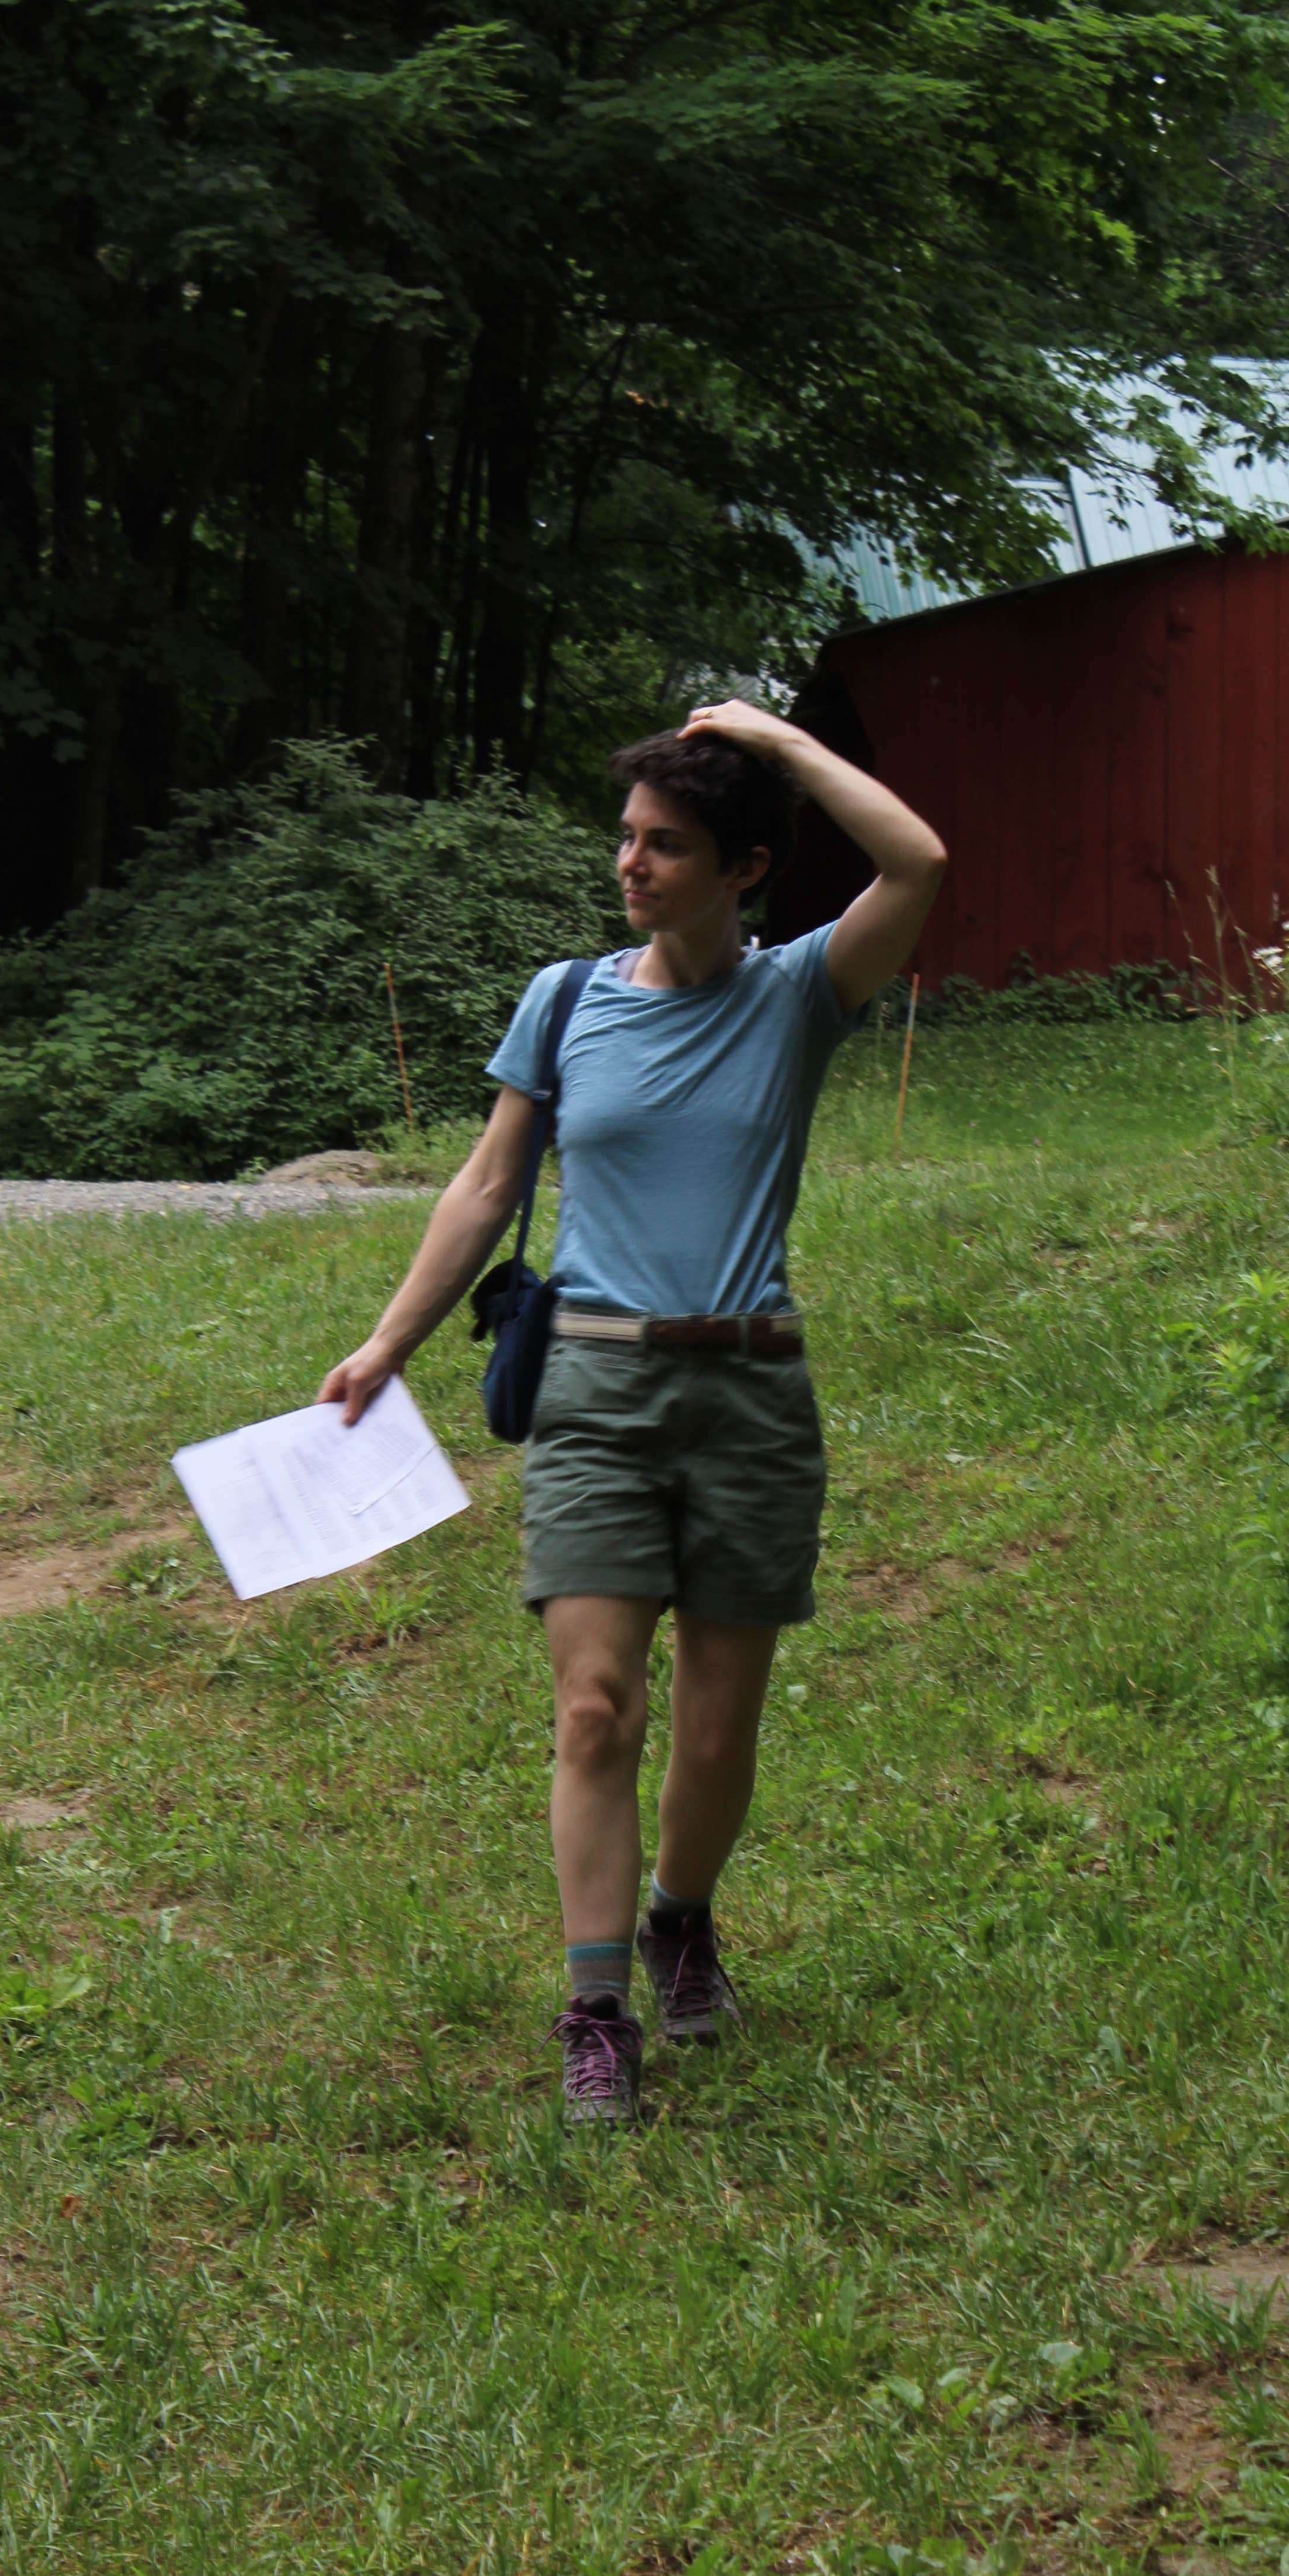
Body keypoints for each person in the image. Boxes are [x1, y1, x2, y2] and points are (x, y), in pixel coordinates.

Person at [319, 701, 946, 2121]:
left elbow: (916, 865)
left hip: (751, 1389)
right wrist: (386, 1344)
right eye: (629, 840)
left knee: (719, 1736)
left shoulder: (799, 996)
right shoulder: (566, 999)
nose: (633, 866)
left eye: (669, 845)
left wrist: (779, 746)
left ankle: (681, 1917)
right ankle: (597, 2008)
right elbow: (487, 1186)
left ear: (745, 870)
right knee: (596, 1709)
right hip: (596, 1386)